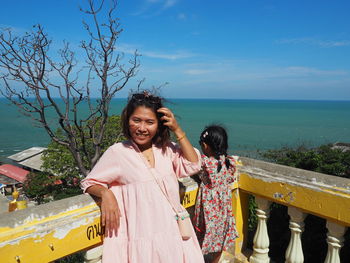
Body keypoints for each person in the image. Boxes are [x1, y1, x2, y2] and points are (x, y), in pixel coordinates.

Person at [81, 91, 205, 263]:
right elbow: (90, 182)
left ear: (159, 124)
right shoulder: (118, 152)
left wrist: (177, 129)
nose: (142, 128)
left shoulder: (166, 149)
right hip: (141, 235)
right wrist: (106, 194)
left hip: (171, 232)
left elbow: (193, 164)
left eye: (150, 122)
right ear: (128, 120)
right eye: (136, 120)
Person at [193, 125, 239, 263]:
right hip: (223, 213)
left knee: (199, 239)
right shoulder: (228, 162)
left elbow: (193, 167)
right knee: (220, 242)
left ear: (205, 146)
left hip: (208, 213)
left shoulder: (206, 164)